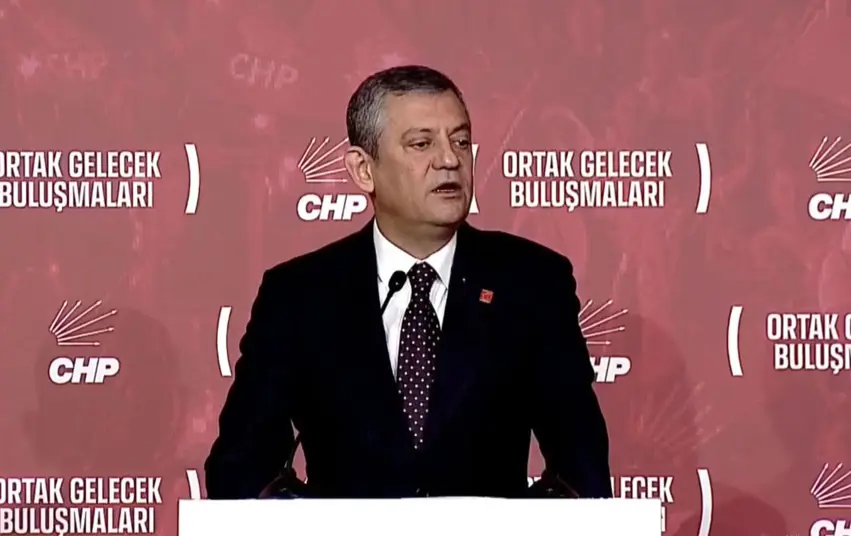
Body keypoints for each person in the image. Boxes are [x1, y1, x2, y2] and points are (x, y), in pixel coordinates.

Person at [204, 65, 612, 499]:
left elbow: (581, 473)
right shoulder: (300, 296)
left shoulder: (532, 283)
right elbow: (239, 471)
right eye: (422, 144)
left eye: (460, 141)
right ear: (363, 169)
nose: (449, 160)